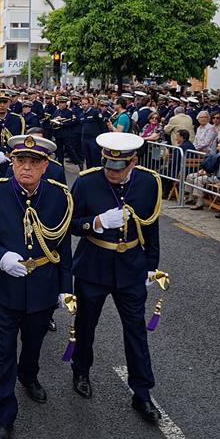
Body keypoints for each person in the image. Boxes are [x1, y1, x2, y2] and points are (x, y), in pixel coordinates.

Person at [0, 133, 73, 439]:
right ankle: (4, 415)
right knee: (2, 350)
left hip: (42, 285)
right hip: (4, 287)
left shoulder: (58, 197)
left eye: (34, 162)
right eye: (20, 161)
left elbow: (63, 247)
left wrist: (65, 289)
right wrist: (0, 256)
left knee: (34, 341)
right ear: (12, 162)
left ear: (45, 166)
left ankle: (28, 375)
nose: (26, 167)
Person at [69, 133, 163, 423]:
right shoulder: (86, 182)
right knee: (86, 323)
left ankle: (142, 392)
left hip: (131, 267)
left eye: (118, 167)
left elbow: (151, 227)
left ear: (133, 162)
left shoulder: (148, 182)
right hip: (93, 266)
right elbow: (70, 224)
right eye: (107, 165)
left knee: (135, 330)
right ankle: (81, 369)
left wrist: (151, 265)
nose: (110, 171)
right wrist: (96, 223)